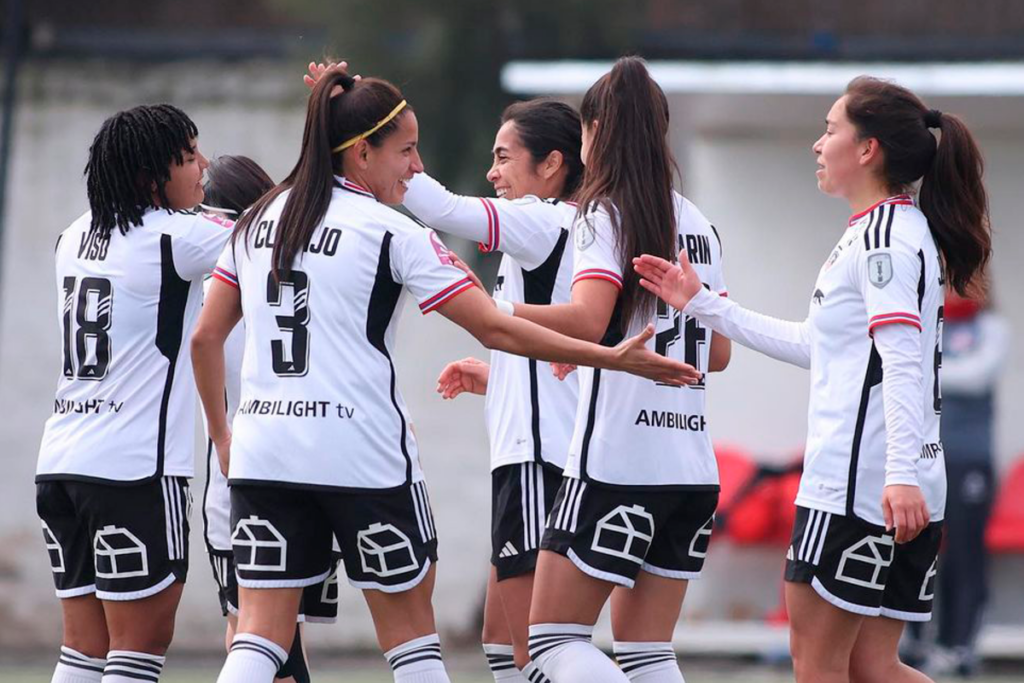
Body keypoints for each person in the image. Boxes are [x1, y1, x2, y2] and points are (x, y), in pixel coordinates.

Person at [191, 65, 701, 683]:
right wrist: (611, 356)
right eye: (406, 150)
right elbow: (491, 323)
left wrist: (223, 438)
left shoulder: (257, 222)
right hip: (362, 458)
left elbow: (205, 336)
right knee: (418, 648)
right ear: (362, 152)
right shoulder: (392, 231)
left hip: (263, 455)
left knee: (256, 641)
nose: (415, 165)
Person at [634, 76, 992, 683]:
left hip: (861, 489)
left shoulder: (883, 241)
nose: (817, 145)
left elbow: (902, 361)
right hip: (893, 485)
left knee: (822, 667)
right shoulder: (887, 233)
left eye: (829, 131)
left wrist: (900, 476)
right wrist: (704, 303)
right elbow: (819, 347)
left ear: (868, 149)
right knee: (872, 667)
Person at [461, 57, 729, 683]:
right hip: (692, 466)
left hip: (618, 460)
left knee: (551, 642)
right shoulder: (699, 222)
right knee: (647, 653)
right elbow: (715, 354)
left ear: (596, 132)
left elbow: (587, 319)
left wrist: (491, 312)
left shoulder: (603, 213)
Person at [36, 104, 230, 683]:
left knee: (82, 650)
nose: (204, 165)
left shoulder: (71, 235)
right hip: (135, 472)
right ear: (151, 178)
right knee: (138, 650)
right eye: (188, 156)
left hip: (60, 466)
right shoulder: (180, 236)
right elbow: (270, 232)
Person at [201, 154, 343, 683]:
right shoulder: (301, 273)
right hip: (311, 472)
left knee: (257, 641)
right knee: (279, 642)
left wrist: (218, 435)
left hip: (242, 478)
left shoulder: (213, 278)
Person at [916, 290, 1008, 677]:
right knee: (916, 549)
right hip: (923, 458)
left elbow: (977, 375)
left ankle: (959, 644)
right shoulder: (929, 321)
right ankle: (912, 642)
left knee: (964, 555)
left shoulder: (991, 327)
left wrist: (923, 367)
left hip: (970, 459)